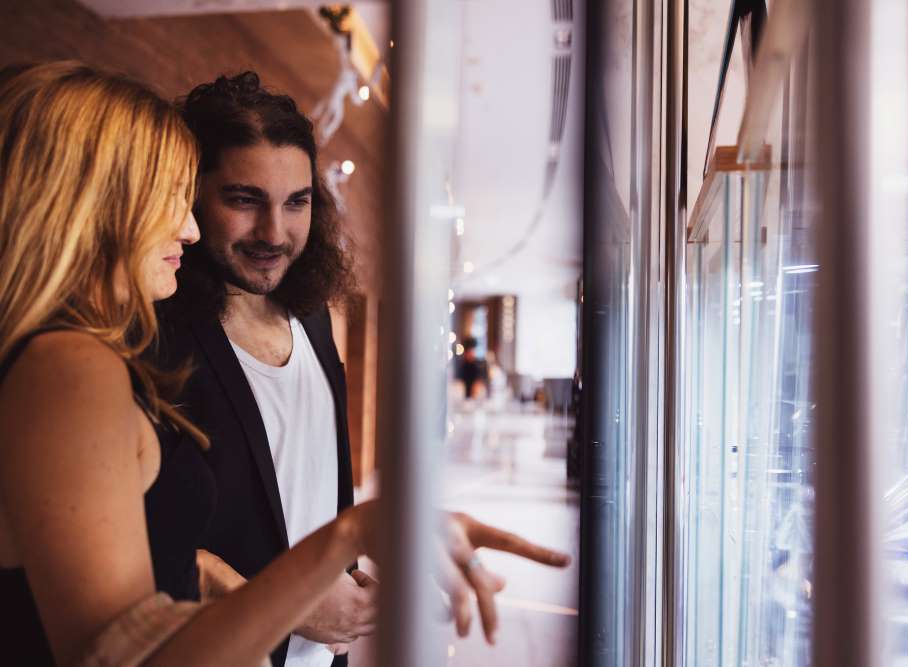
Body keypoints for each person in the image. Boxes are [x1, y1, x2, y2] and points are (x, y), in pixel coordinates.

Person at [0, 61, 570, 666]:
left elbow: (140, 568)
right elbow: (122, 653)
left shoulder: (75, 354)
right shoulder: (71, 363)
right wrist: (344, 541)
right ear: (94, 203)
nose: (187, 228)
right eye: (169, 197)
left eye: (296, 202)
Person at [155, 71, 362, 667]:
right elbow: (126, 538)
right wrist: (287, 604)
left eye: (296, 202)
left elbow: (315, 484)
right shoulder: (150, 333)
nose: (275, 234)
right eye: (245, 200)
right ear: (192, 196)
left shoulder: (313, 314)